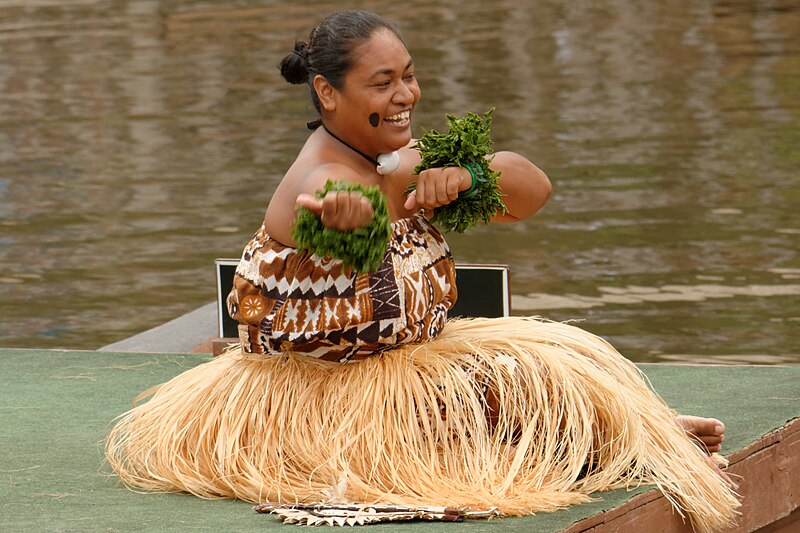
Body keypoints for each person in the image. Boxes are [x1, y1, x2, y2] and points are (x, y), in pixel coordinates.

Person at [105, 10, 737, 532]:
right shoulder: (317, 179)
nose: (404, 95)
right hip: (327, 398)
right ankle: (620, 440)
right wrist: (351, 218)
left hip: (409, 362)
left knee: (549, 369)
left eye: (408, 76)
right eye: (382, 83)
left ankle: (622, 427)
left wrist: (468, 175)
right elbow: (335, 218)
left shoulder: (399, 155)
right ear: (329, 93)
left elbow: (533, 190)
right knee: (477, 419)